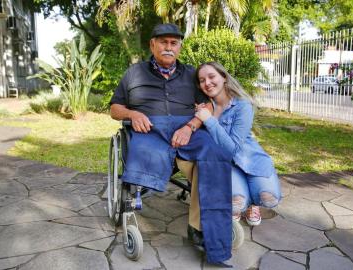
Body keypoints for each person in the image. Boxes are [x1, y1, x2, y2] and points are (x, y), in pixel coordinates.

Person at [110, 24, 233, 265]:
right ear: (152, 45)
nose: (169, 47)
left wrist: (190, 127)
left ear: (179, 47)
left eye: (173, 43)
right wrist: (133, 114)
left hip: (186, 130)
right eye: (163, 42)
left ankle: (201, 229)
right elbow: (115, 109)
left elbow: (207, 106)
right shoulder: (134, 73)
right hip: (149, 130)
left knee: (215, 154)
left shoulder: (190, 73)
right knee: (143, 156)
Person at [194, 62, 281, 226]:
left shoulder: (242, 105)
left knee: (269, 199)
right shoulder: (205, 107)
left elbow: (232, 148)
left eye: (212, 77)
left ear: (224, 77)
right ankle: (243, 202)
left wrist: (209, 120)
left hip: (249, 158)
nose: (207, 83)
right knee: (237, 203)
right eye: (202, 80)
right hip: (227, 164)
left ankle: (252, 203)